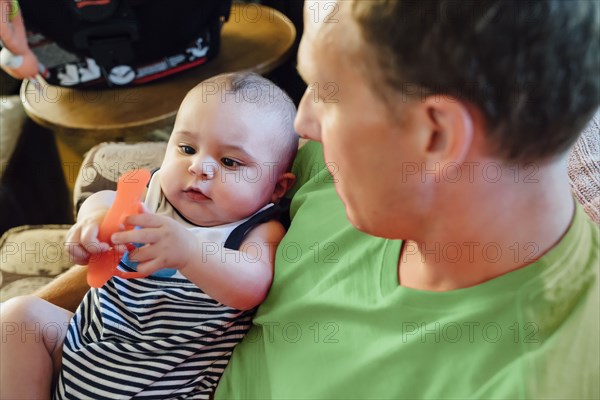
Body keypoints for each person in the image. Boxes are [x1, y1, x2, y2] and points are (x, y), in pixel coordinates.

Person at [6, 0, 599, 398]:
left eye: (328, 93)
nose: (304, 124)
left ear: (435, 136)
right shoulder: (342, 171)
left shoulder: (537, 375)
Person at [0, 71, 298, 399]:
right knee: (19, 316)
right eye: (186, 147)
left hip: (162, 384)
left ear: (277, 187)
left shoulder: (256, 230)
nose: (199, 167)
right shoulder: (153, 193)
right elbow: (105, 201)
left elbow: (252, 286)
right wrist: (94, 221)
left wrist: (189, 252)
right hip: (82, 347)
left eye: (229, 161)